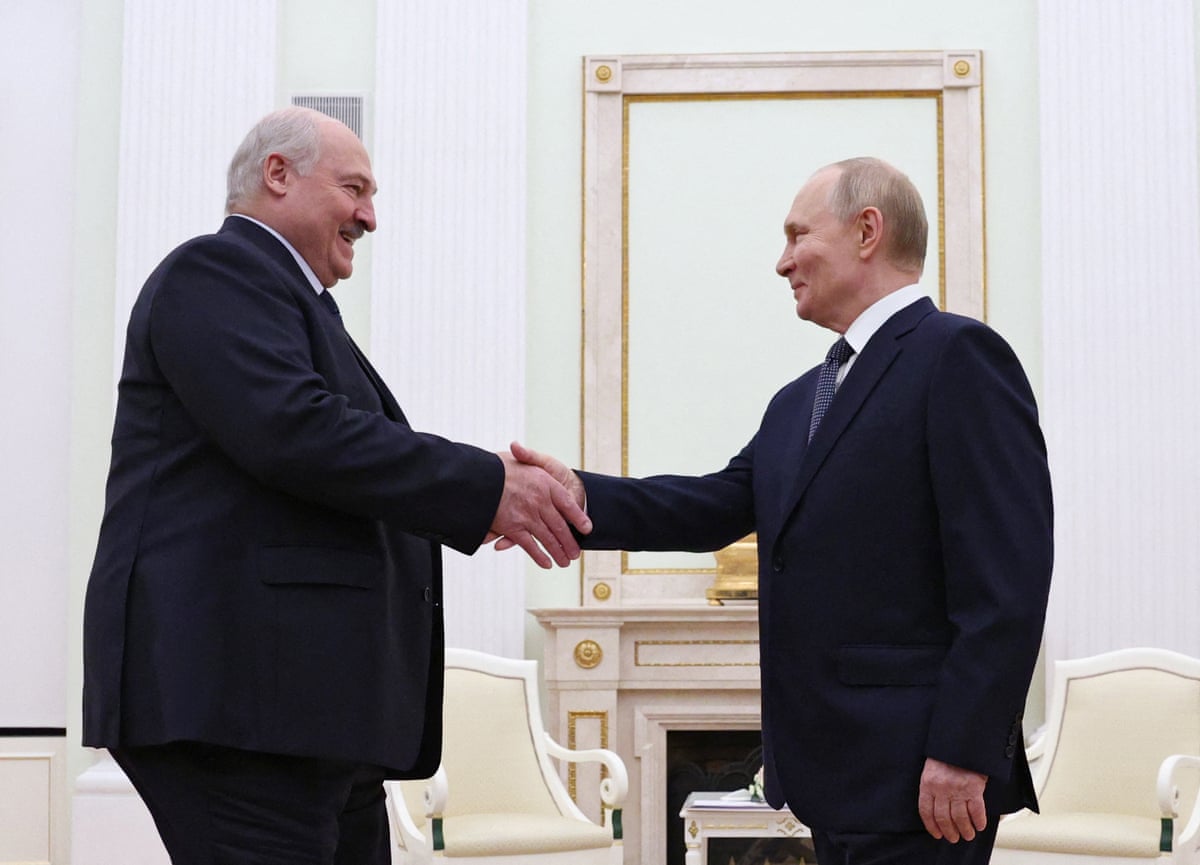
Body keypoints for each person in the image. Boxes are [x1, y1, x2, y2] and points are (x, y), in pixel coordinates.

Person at [504, 157, 1053, 864]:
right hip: (835, 774)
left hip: (923, 772)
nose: (782, 261)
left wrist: (964, 749)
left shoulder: (960, 356)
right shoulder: (802, 397)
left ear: (866, 231)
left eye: (797, 235)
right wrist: (575, 493)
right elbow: (708, 507)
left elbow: (1008, 582)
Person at [81, 106, 591, 864]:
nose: (370, 216)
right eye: (355, 188)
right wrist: (484, 487)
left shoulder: (292, 305)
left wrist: (480, 492)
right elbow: (297, 432)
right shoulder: (214, 270)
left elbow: (337, 462)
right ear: (276, 174)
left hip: (304, 716)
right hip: (239, 711)